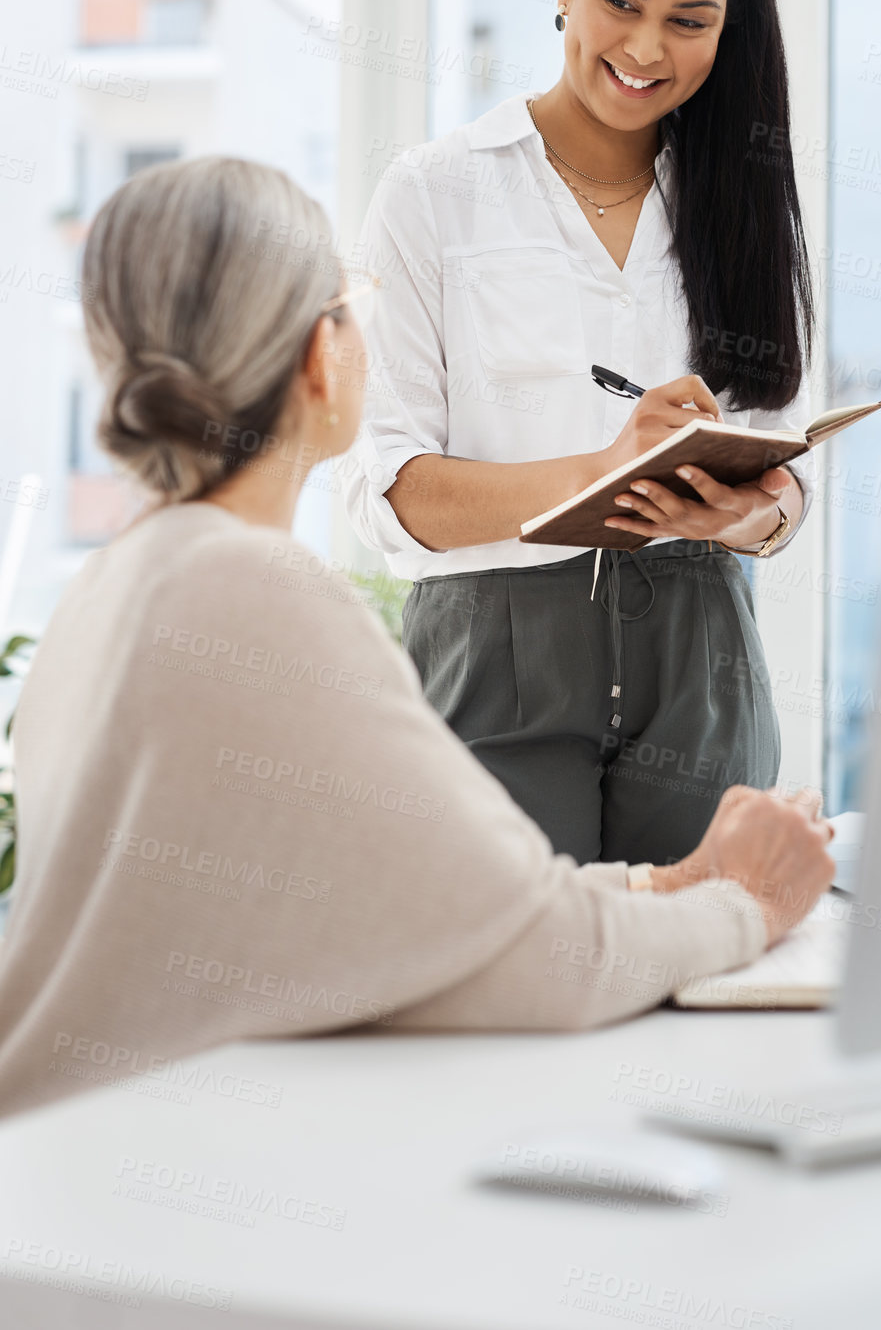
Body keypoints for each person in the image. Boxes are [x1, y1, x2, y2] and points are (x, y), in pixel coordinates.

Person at [0, 156, 833, 1121]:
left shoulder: (116, 582)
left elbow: (442, 925)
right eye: (354, 304)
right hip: (120, 1216)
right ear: (321, 355)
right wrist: (747, 901)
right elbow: (550, 959)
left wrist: (678, 881)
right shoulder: (257, 596)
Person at [345, 0, 816, 869]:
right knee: (506, 992)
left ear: (726, 30)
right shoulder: (435, 192)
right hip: (491, 656)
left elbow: (782, 470)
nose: (648, 49)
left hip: (704, 657)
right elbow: (392, 493)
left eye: (690, 22)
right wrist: (599, 472)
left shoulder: (743, 205)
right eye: (620, 2)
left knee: (707, 983)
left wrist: (753, 514)